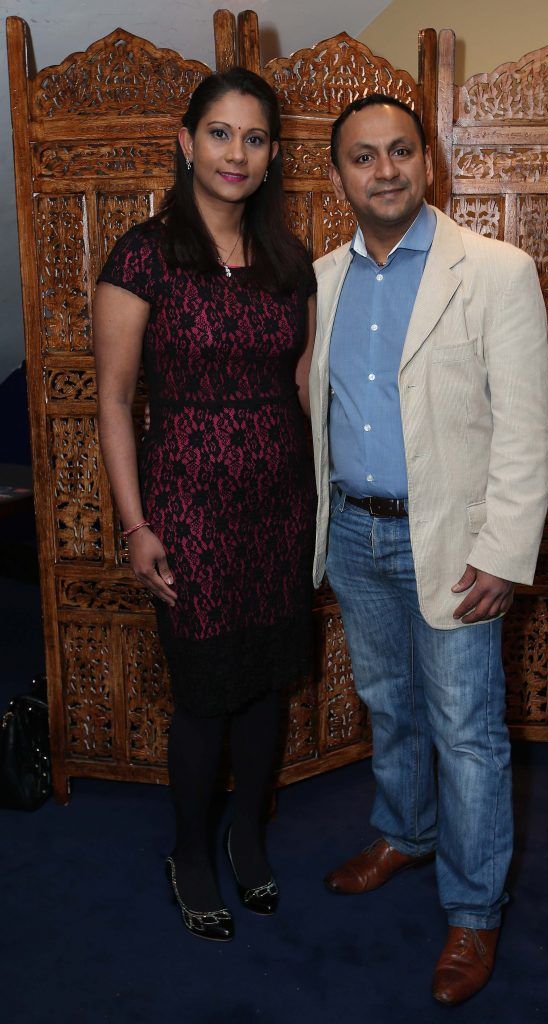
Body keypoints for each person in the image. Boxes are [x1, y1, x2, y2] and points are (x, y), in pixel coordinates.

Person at [309, 94, 548, 1004]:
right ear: (338, 175)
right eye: (363, 157)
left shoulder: (495, 271)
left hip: (452, 542)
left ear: (428, 162)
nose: (384, 171)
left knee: (467, 731)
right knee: (388, 703)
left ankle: (474, 912)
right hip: (354, 531)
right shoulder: (322, 279)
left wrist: (502, 554)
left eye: (400, 152)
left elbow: (526, 430)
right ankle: (403, 833)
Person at [94, 68, 316, 942]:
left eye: (254, 138)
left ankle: (248, 836)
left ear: (270, 156)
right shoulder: (142, 252)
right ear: (186, 143)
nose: (237, 153)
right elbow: (115, 399)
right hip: (187, 503)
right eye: (220, 134)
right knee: (205, 692)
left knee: (267, 683)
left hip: (281, 503)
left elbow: (303, 386)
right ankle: (190, 849)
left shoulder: (288, 261)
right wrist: (136, 523)